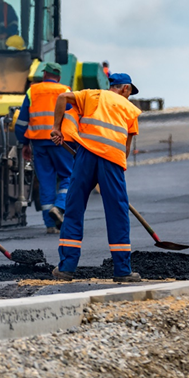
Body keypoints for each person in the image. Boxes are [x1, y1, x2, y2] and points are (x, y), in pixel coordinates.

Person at [49, 73, 143, 283]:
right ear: (125, 89)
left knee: (73, 209)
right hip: (112, 161)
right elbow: (126, 149)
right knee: (117, 212)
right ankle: (122, 270)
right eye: (129, 92)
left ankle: (66, 268)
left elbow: (63, 97)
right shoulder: (130, 110)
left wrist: (56, 127)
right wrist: (112, 173)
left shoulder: (92, 95)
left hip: (85, 156)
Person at [14, 62, 78, 234]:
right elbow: (73, 118)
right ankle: (60, 206)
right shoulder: (65, 90)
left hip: (38, 143)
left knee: (46, 181)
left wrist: (23, 143)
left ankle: (50, 225)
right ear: (58, 77)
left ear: (44, 75)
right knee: (69, 176)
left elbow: (21, 122)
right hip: (61, 142)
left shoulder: (32, 91)